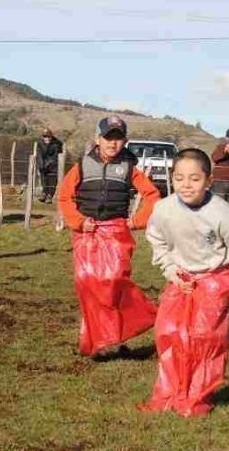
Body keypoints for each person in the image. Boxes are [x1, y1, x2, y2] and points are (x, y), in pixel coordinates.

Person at [138, 148, 229, 418]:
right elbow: (156, 240)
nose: (186, 184)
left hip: (215, 279)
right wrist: (171, 270)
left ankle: (196, 396)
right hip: (180, 277)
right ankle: (170, 392)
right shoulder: (164, 209)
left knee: (203, 338)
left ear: (208, 181)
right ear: (172, 178)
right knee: (168, 331)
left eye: (194, 178)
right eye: (180, 177)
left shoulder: (223, 213)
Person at [57, 116, 161, 358]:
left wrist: (136, 221)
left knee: (113, 282)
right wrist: (80, 222)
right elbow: (64, 196)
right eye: (108, 138)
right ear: (97, 139)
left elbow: (152, 195)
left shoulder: (130, 169)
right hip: (86, 233)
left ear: (125, 141)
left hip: (116, 234)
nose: (113, 143)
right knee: (87, 282)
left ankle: (119, 333)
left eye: (118, 138)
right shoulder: (81, 166)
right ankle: (97, 340)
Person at [36, 128, 64, 203]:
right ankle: (44, 193)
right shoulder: (40, 143)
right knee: (44, 179)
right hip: (44, 163)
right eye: (45, 136)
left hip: (53, 165)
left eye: (48, 136)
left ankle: (50, 196)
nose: (47, 138)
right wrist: (41, 164)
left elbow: (56, 157)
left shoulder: (57, 144)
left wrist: (48, 164)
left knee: (52, 180)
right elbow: (39, 155)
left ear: (51, 137)